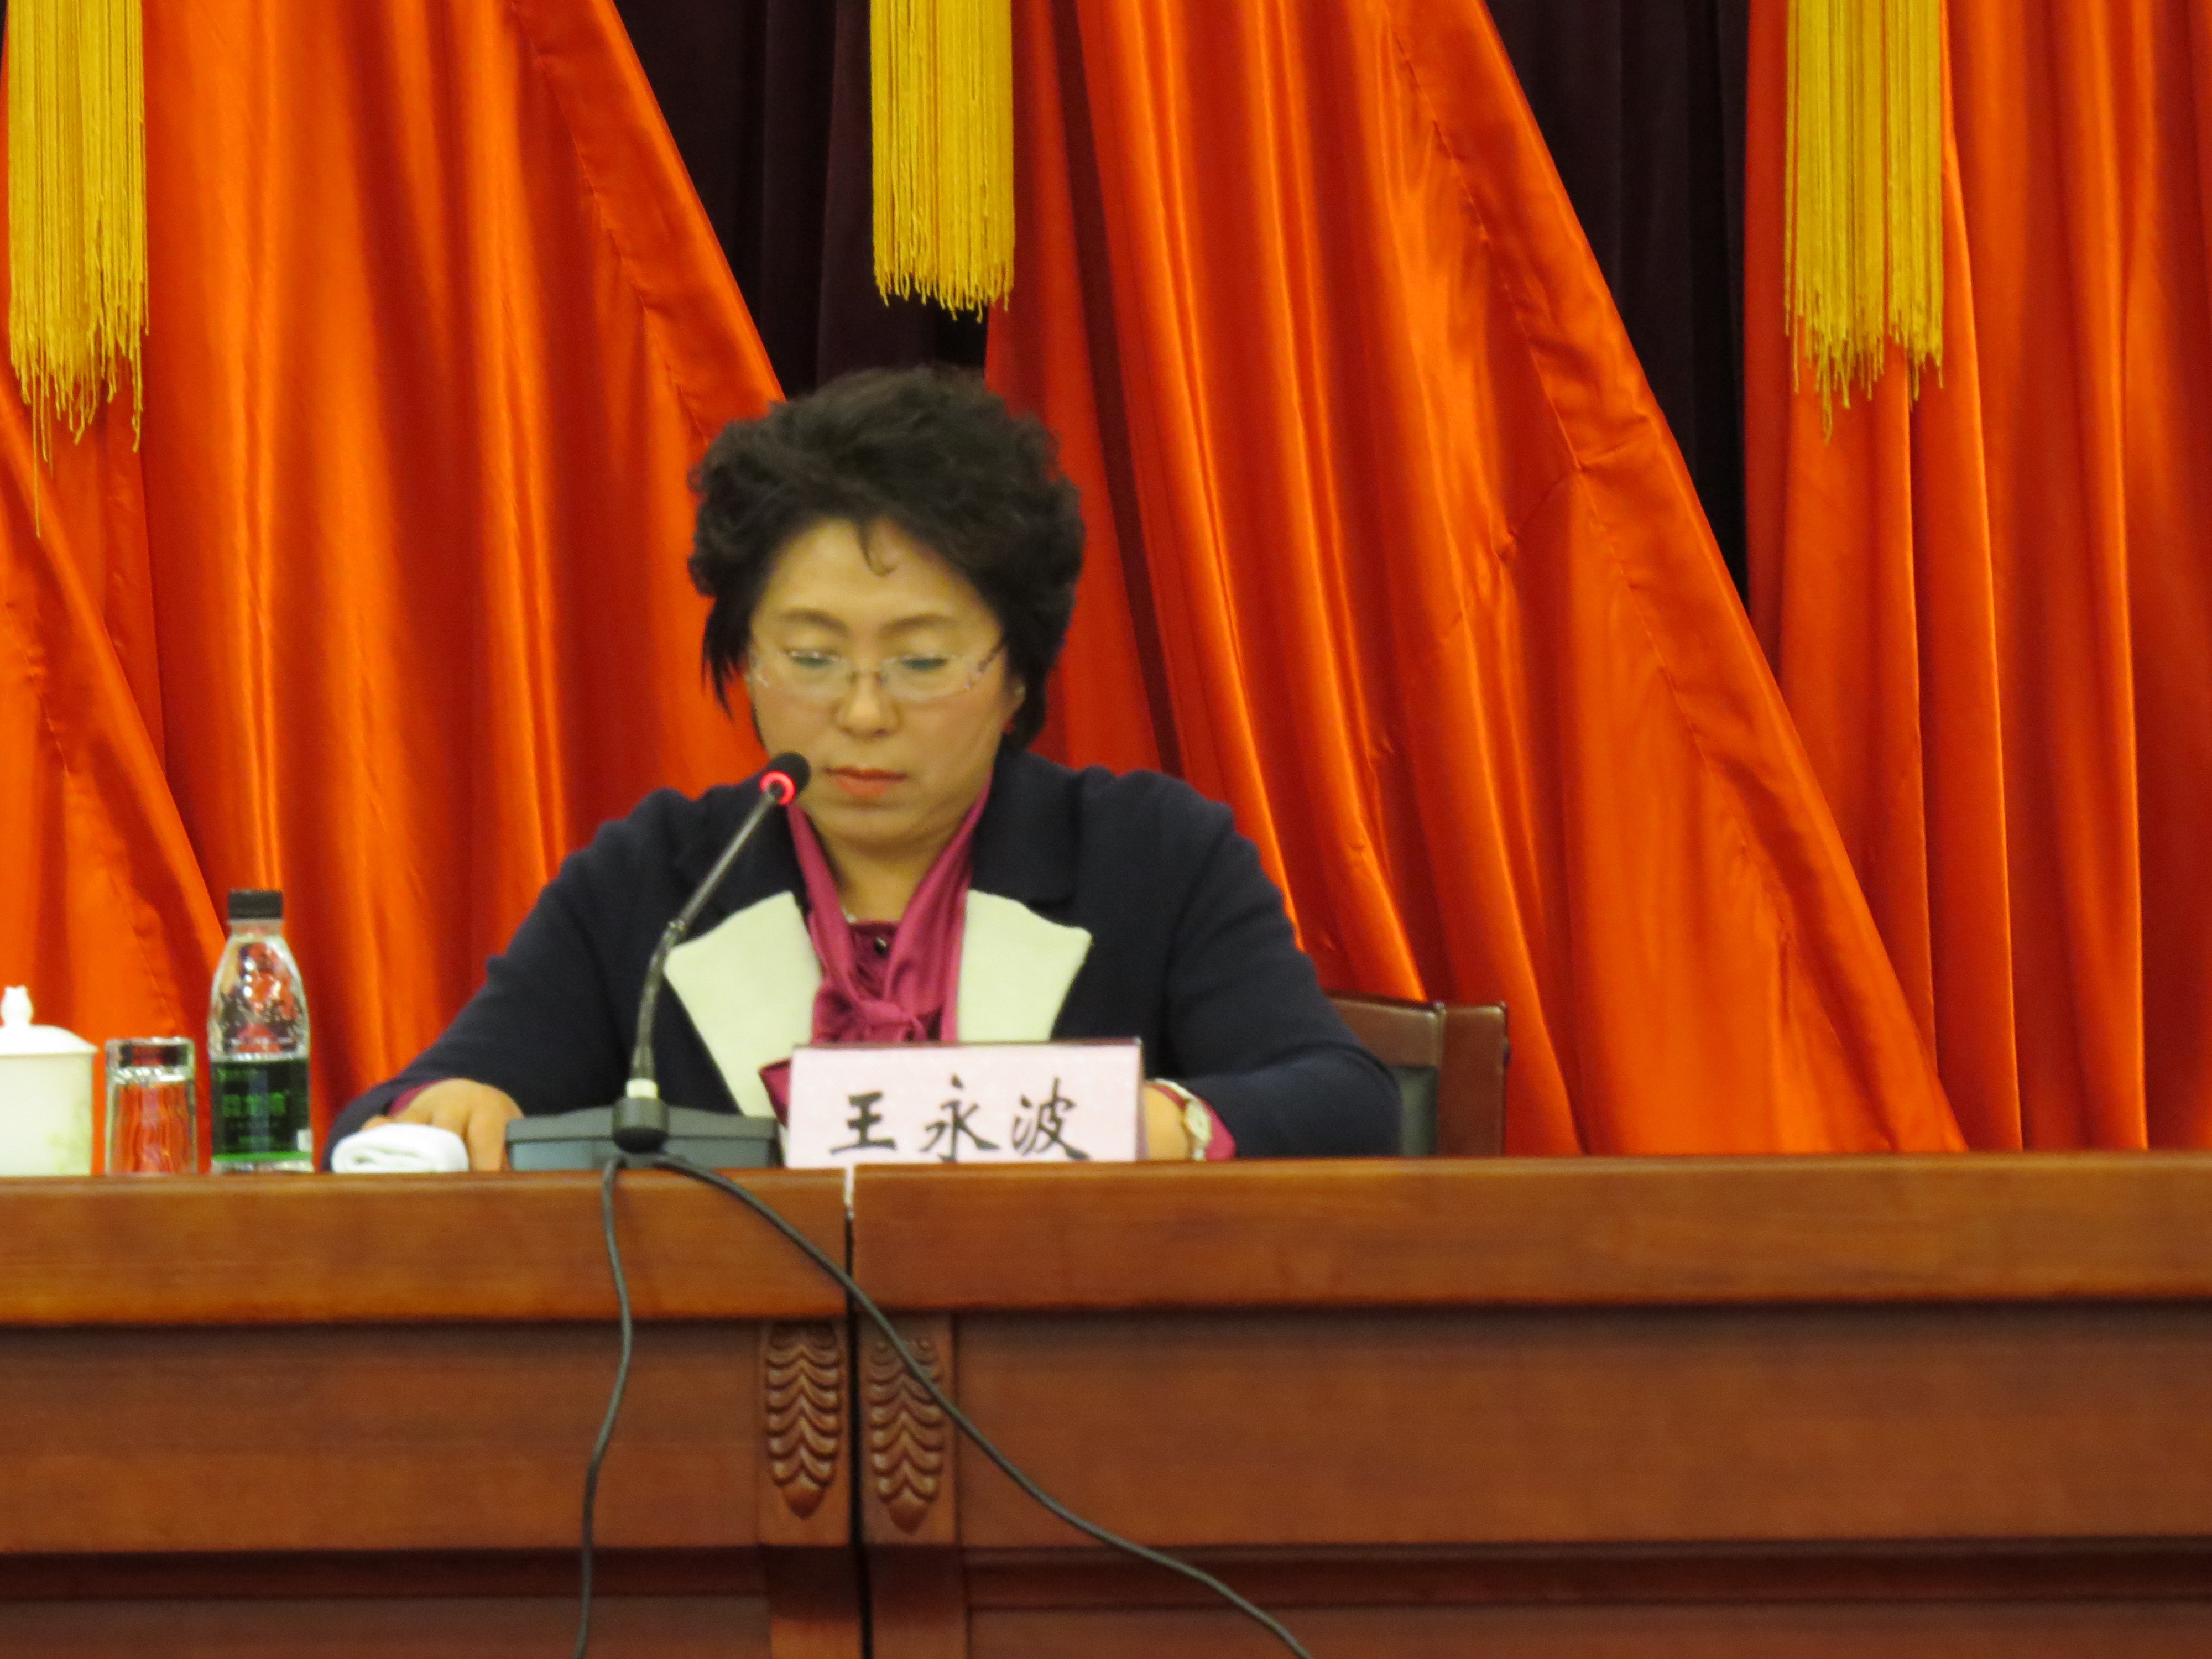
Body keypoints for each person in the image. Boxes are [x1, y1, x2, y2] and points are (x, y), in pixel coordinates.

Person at [328, 368, 1400, 1170]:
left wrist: (1147, 1122)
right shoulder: (658, 880)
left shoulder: (1149, 856)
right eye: (811, 659)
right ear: (745, 662)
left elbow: (1344, 1099)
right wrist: (446, 1112)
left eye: (921, 663)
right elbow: (397, 1110)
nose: (863, 712)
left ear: (1017, 676)